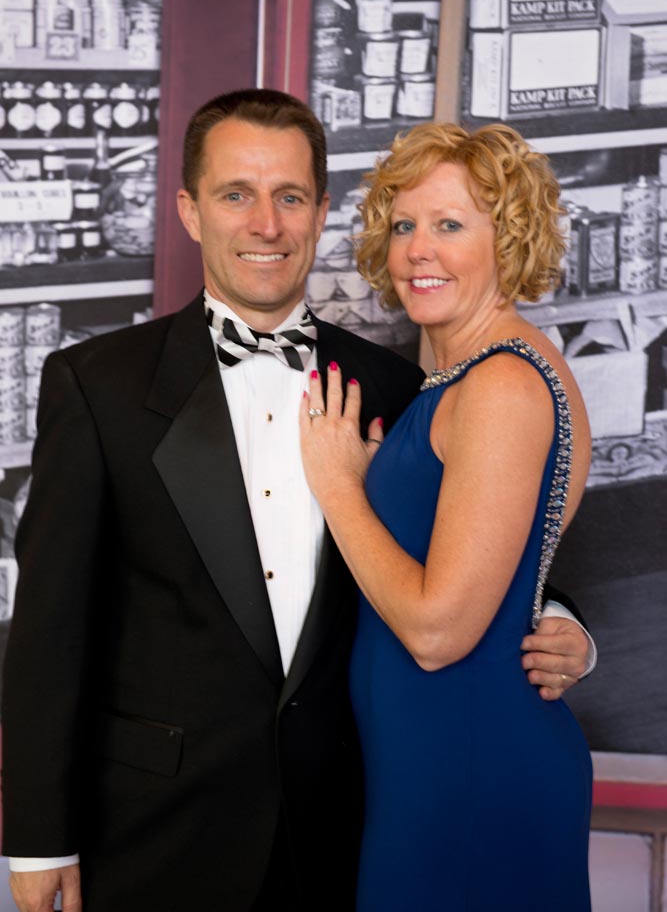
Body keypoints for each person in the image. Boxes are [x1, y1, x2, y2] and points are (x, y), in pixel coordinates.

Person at [2, 91, 592, 912]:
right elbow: (49, 629)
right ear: (190, 211)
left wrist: (559, 620)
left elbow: (474, 538)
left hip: (347, 819)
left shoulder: (395, 384)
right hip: (161, 830)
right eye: (235, 194)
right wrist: (39, 838)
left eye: (288, 197)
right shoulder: (96, 385)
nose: (265, 224)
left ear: (320, 212)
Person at [299, 121, 593, 910]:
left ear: (508, 239)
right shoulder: (469, 376)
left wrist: (339, 488)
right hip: (433, 766)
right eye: (403, 226)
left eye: (449, 224)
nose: (417, 251)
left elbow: (438, 635)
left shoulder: (500, 386)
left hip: (470, 772)